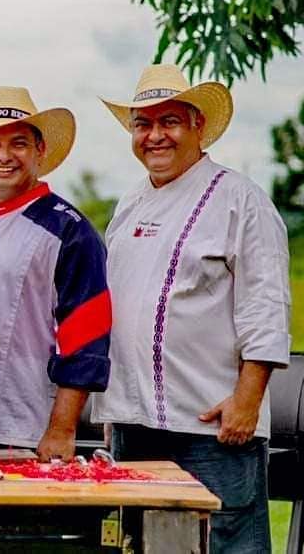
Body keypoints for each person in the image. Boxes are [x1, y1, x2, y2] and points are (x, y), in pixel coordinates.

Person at [92, 64, 290, 553]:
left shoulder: (240, 199)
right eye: (143, 124)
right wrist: (112, 406)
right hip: (136, 425)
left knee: (223, 541)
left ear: (198, 125)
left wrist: (247, 400)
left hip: (213, 424)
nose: (155, 135)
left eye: (170, 121)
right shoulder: (129, 205)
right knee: (143, 543)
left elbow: (265, 305)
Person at [0, 87, 111, 460]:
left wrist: (61, 429)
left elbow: (85, 340)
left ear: (40, 151)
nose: (3, 156)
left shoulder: (70, 231)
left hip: (20, 427)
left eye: (18, 143)